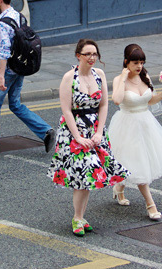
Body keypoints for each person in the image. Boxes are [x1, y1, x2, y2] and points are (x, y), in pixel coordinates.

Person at [48, 39, 130, 237]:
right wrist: (77, 137)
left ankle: (81, 217)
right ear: (78, 56)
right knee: (83, 176)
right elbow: (66, 110)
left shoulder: (99, 74)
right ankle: (77, 218)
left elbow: (103, 105)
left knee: (90, 175)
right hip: (74, 132)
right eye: (88, 54)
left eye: (95, 54)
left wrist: (99, 132)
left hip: (94, 130)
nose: (92, 58)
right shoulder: (69, 77)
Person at [0, 0, 56, 156]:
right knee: (15, 104)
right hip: (21, 66)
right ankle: (45, 131)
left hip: (10, 68)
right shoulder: (19, 16)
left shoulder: (3, 23)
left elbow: (4, 50)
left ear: (0, 0)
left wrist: (2, 76)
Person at [107, 44, 162, 220]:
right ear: (126, 62)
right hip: (127, 125)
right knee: (137, 164)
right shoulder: (119, 80)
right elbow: (116, 100)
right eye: (135, 63)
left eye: (141, 62)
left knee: (137, 162)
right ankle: (150, 205)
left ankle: (119, 188)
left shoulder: (144, 76)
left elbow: (150, 100)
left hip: (146, 123)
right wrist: (123, 78)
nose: (139, 66)